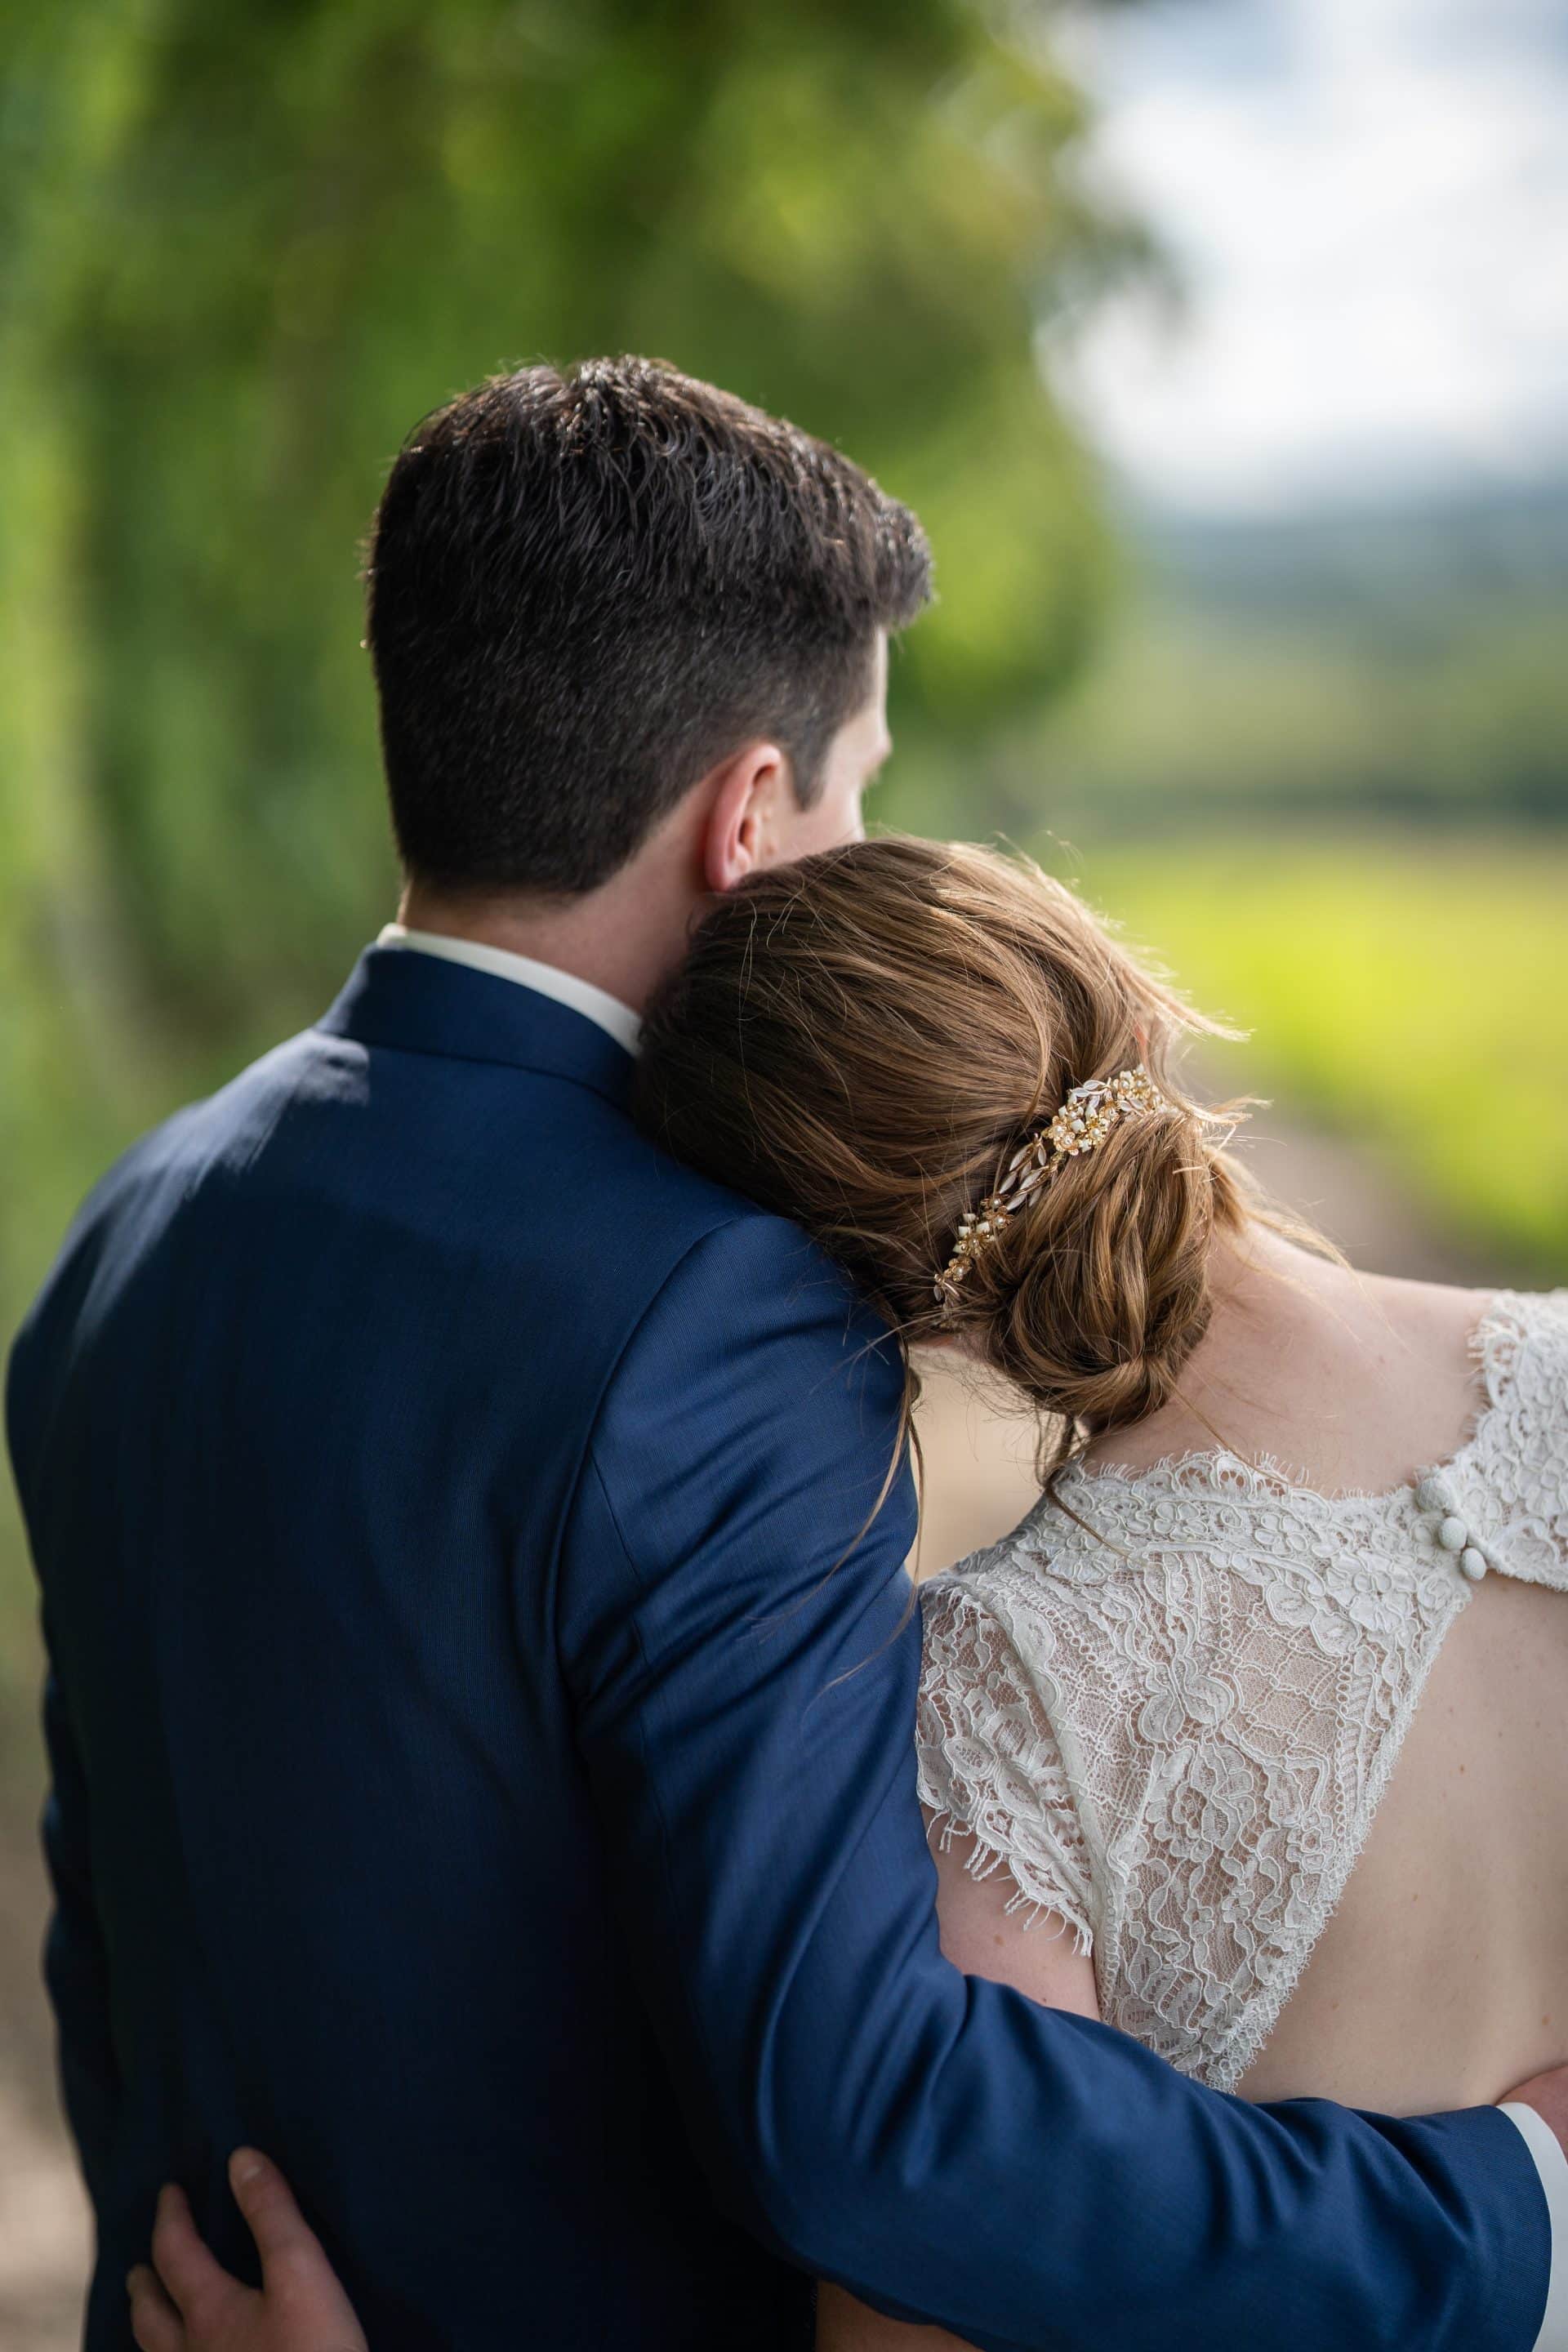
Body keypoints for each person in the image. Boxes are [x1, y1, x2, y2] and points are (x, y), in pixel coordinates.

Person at [7, 361, 1566, 2352]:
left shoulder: (134, 1224)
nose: (869, 840)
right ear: (753, 814)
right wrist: (1501, 2222)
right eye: (859, 785)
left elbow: (125, 1932)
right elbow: (863, 2119)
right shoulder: (711, 1308)